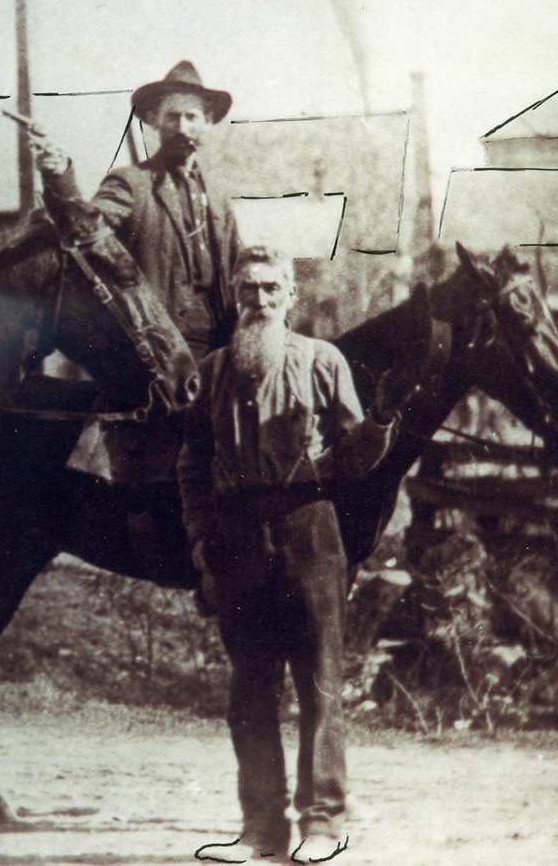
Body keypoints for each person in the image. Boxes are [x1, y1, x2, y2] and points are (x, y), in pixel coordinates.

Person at [177, 246, 399, 863]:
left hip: (310, 530)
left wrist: (379, 419)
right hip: (238, 534)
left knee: (320, 682)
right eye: (248, 290)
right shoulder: (215, 372)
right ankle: (259, 831)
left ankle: (323, 825)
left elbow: (356, 460)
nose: (260, 301)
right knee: (249, 691)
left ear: (291, 298)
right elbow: (192, 464)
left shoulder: (323, 362)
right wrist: (201, 540)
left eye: (272, 289)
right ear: (236, 296)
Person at [34, 60, 241, 362]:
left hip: (220, 346)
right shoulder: (130, 184)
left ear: (207, 120)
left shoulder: (219, 196)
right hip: (159, 349)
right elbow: (83, 229)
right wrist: (60, 177)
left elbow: (239, 267)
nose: (182, 128)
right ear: (155, 120)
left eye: (191, 117)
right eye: (172, 117)